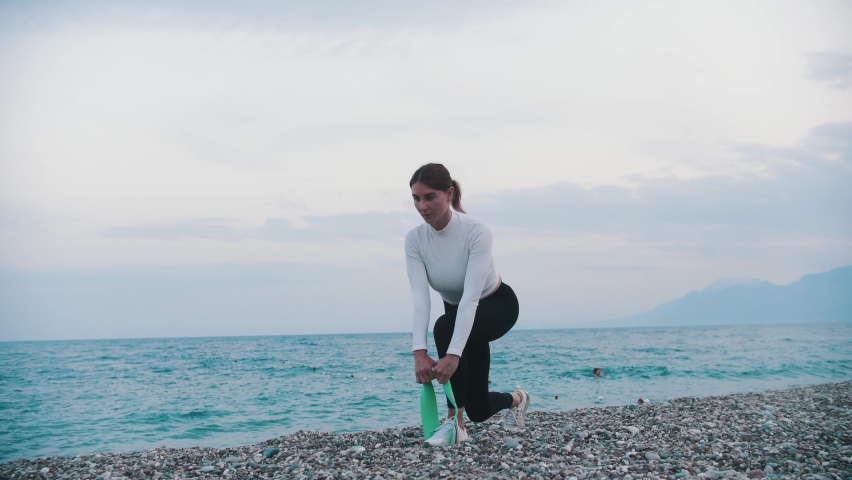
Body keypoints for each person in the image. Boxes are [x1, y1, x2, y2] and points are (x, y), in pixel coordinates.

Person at [405, 163, 530, 446]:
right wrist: (419, 353)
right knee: (479, 408)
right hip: (459, 316)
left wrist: (453, 356)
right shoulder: (414, 240)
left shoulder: (477, 232)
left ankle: (454, 425)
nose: (422, 206)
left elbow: (472, 297)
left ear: (449, 194)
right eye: (416, 198)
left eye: (429, 197)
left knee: (446, 326)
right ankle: (517, 399)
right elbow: (420, 300)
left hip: (496, 306)